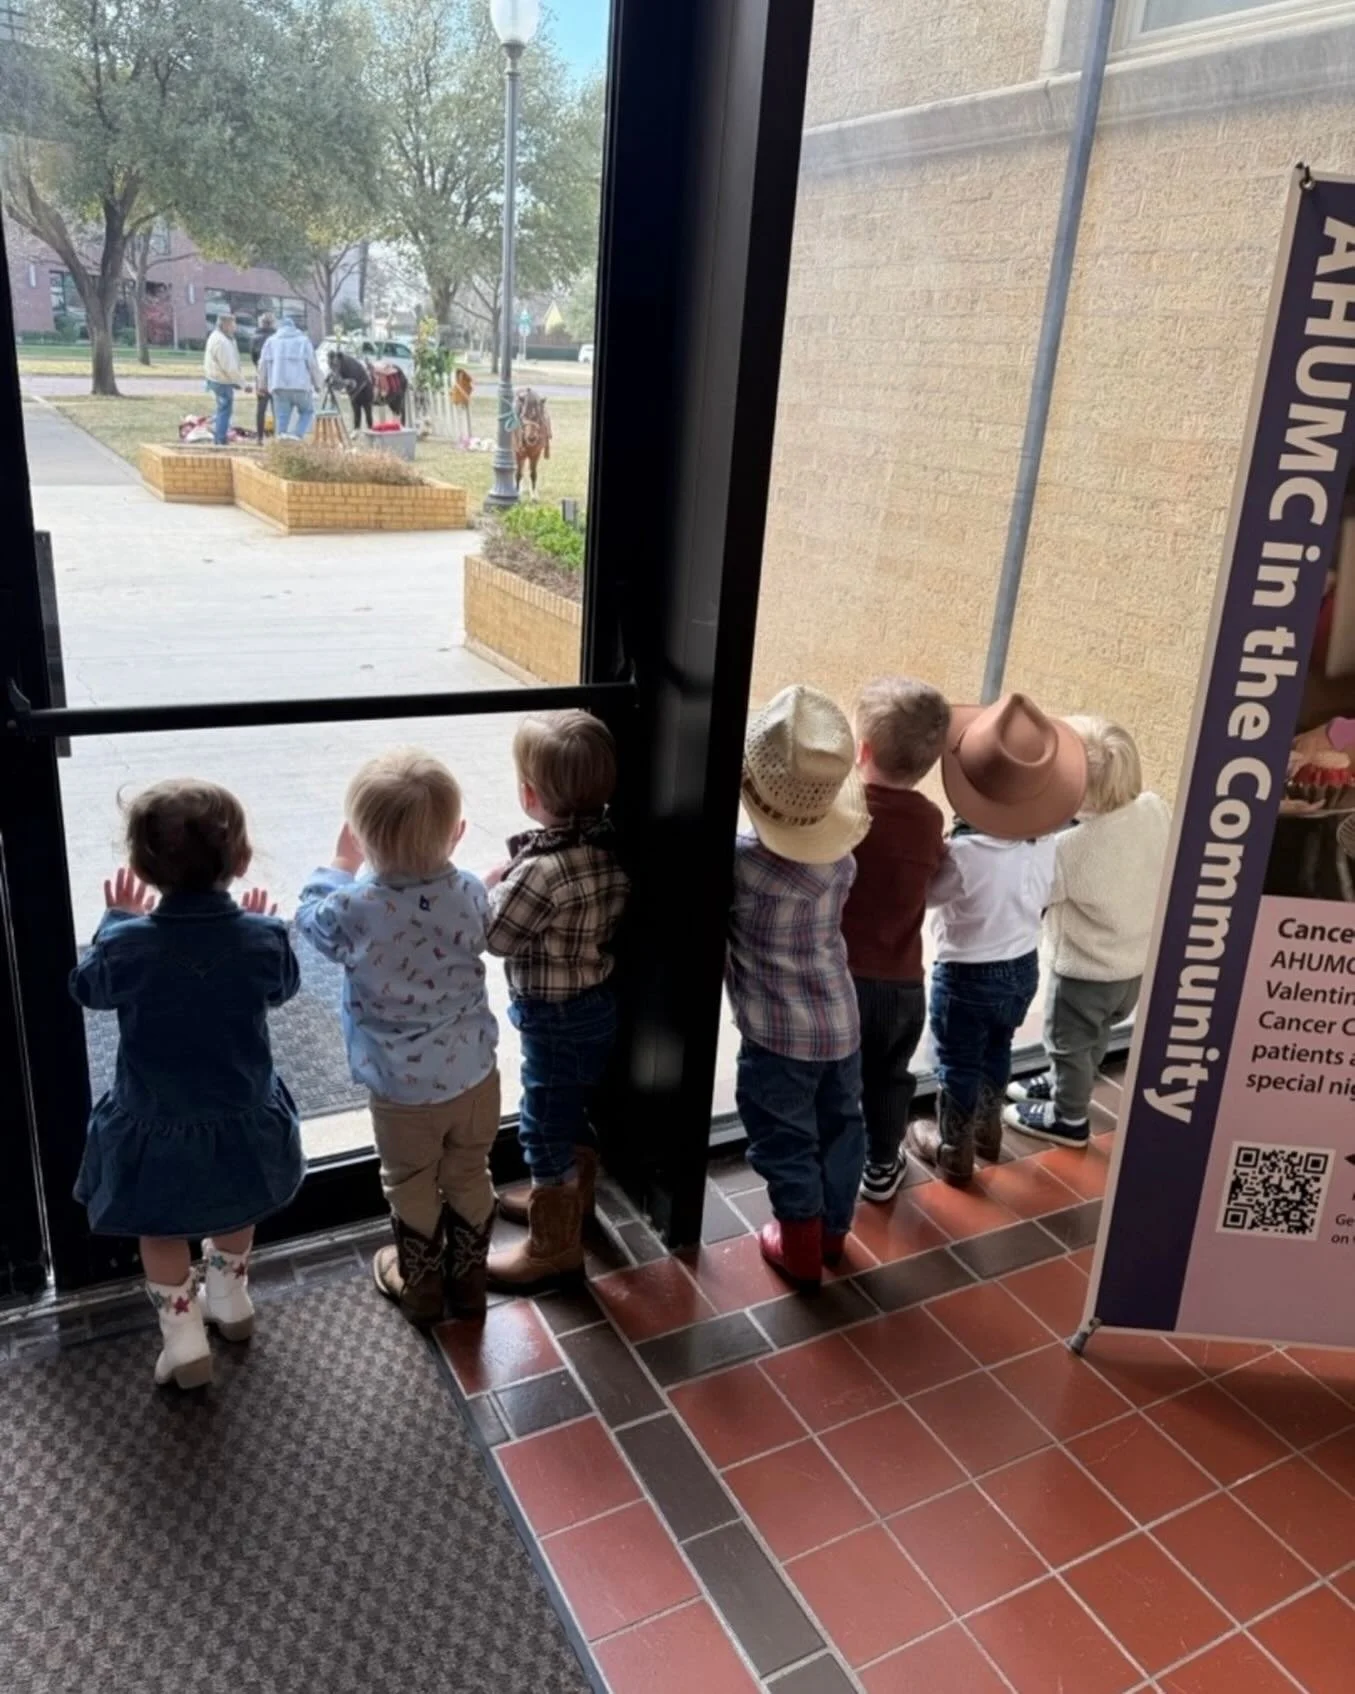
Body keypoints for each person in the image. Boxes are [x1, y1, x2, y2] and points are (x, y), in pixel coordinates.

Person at [70, 780, 302, 1389]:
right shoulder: (263, 939)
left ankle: (183, 1338)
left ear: (142, 868)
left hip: (156, 1120)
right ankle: (231, 1298)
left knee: (161, 1227)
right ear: (242, 860)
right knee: (238, 1203)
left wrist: (115, 920)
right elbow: (283, 987)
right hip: (242, 1112)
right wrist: (260, 926)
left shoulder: (126, 945)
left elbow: (87, 988)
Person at [296, 750, 499, 1325]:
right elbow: (481, 922)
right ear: (458, 833)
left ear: (362, 840)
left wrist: (340, 862)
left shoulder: (355, 907)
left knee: (409, 1181)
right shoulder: (469, 892)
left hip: (401, 1091)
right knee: (469, 1170)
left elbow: (309, 919)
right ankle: (471, 1282)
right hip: (475, 1076)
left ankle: (423, 1287)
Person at [908, 694, 1086, 1186]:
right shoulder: (1046, 843)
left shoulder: (964, 854)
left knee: (957, 1062)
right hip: (1024, 966)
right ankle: (988, 1132)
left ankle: (953, 1148)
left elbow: (930, 897)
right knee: (998, 1048)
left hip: (966, 974)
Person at [726, 684, 870, 1288]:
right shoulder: (842, 861)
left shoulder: (742, 866)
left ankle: (801, 1248)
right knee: (842, 1129)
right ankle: (833, 1235)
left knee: (784, 1139)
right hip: (840, 1022)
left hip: (777, 1038)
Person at [483, 711, 630, 1291]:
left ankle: (555, 1245)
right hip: (596, 1005)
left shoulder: (540, 873)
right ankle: (574, 1196)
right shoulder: (610, 848)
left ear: (529, 794)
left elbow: (497, 938)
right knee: (570, 1109)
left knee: (542, 1126)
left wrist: (490, 887)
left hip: (553, 1018)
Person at [1005, 717, 1169, 1146]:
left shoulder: (1069, 849)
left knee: (1069, 1044)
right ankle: (1067, 1081)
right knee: (1095, 1036)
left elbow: (1035, 894)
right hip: (1134, 967)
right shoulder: (1154, 808)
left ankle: (1068, 1117)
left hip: (1084, 975)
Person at [841, 677, 950, 1203]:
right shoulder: (929, 820)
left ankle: (830, 1161)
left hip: (842, 979)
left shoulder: (844, 811)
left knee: (835, 1078)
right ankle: (882, 1165)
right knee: (889, 1079)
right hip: (903, 986)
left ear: (862, 751)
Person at [258, 314, 321, 439]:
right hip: (301, 385)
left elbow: (262, 365)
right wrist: (317, 384)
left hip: (278, 385)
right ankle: (297, 435)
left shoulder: (271, 342)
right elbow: (312, 364)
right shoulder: (303, 341)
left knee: (282, 416)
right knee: (307, 411)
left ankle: (282, 440)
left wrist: (262, 385)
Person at [203, 310, 242, 446]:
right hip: (221, 380)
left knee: (222, 408)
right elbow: (229, 367)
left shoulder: (220, 338)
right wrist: (242, 383)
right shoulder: (222, 342)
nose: (235, 327)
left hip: (216, 378)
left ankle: (218, 434)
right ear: (225, 325)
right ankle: (220, 438)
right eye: (233, 324)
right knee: (224, 410)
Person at [250, 311, 276, 444]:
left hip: (261, 375)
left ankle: (259, 437)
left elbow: (253, 358)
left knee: (261, 408)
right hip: (275, 375)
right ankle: (278, 435)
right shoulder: (277, 338)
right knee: (277, 407)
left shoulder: (255, 338)